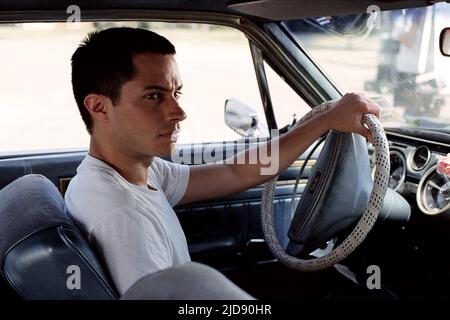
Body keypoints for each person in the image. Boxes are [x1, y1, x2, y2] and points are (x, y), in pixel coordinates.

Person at [65, 27, 380, 296]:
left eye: (177, 94)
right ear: (100, 107)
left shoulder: (130, 172)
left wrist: (324, 120)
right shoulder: (124, 215)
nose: (178, 112)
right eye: (154, 96)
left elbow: (234, 172)